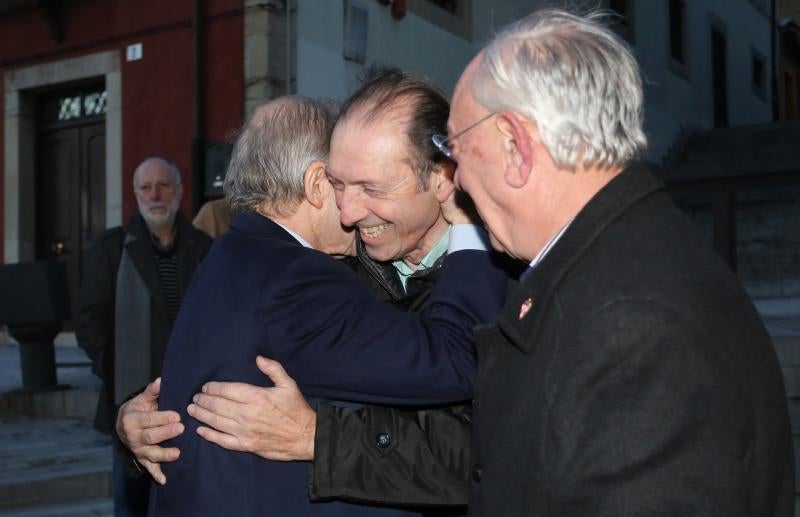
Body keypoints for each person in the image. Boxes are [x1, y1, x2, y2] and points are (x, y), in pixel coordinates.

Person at [172, 9, 795, 516]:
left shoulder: (634, 320)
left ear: (516, 147)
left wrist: (322, 441)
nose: (457, 174)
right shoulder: (572, 263)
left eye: (458, 147)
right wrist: (138, 419)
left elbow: (489, 447)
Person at [147, 95, 507, 516]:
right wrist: (469, 230)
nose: (353, 211)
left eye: (370, 186)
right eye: (343, 185)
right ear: (318, 184)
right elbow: (454, 360)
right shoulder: (293, 277)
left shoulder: (233, 257)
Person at [76, 157, 213, 516]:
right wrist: (118, 375)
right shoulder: (111, 249)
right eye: (146, 187)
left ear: (179, 192)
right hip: (133, 405)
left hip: (196, 401)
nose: (155, 194)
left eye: (163, 185)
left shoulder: (205, 248)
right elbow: (89, 322)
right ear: (135, 194)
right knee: (132, 504)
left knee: (193, 500)